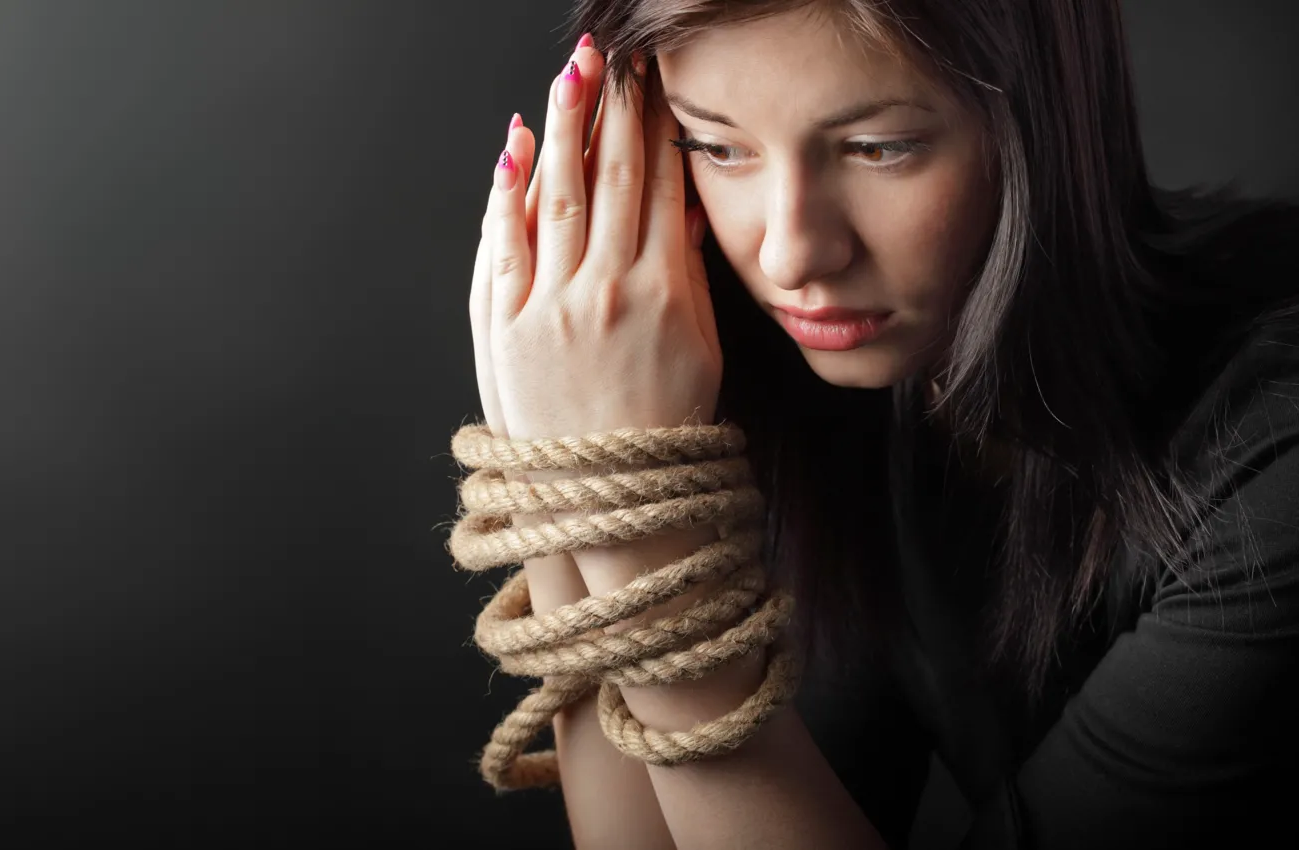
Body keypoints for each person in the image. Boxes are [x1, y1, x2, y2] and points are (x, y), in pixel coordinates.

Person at [463, 1, 1299, 847]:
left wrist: (633, 526)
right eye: (716, 145)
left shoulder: (1271, 465)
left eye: (878, 147)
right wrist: (566, 473)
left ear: (1039, 121)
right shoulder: (835, 395)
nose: (791, 255)